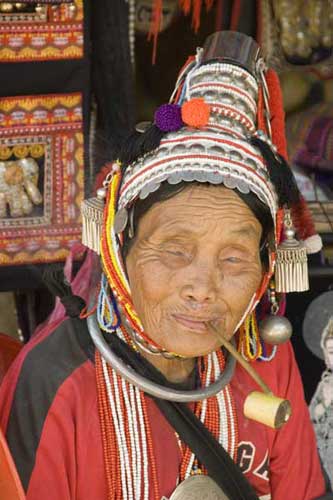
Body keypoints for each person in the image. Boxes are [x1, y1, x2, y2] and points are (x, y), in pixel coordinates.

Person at [0, 31, 331, 500]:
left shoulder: (268, 367)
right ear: (120, 249)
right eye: (175, 250)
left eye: (234, 258)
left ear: (266, 271)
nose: (203, 287)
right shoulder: (58, 382)